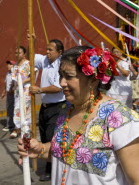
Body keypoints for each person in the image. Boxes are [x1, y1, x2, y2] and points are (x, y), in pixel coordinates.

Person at [18, 46, 139, 185]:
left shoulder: (119, 118)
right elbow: (68, 152)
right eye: (61, 75)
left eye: (69, 76)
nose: (62, 82)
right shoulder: (66, 111)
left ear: (93, 80)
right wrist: (41, 149)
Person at [29, 39, 67, 181]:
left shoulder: (61, 66)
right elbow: (31, 56)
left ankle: (52, 170)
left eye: (51, 50)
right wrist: (31, 41)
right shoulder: (45, 60)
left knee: (52, 139)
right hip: (45, 108)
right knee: (44, 137)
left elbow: (58, 87)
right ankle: (50, 167)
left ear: (59, 52)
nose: (48, 52)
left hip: (57, 107)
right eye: (47, 49)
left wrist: (40, 90)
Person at [11, 46, 31, 138]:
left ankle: (26, 128)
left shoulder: (28, 64)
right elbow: (13, 79)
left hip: (26, 90)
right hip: (17, 91)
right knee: (17, 109)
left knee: (25, 108)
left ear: (24, 54)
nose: (17, 55)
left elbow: (33, 76)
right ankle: (17, 128)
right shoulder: (15, 65)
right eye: (16, 53)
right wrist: (12, 87)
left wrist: (23, 81)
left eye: (19, 53)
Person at [1, 60, 15, 132]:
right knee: (9, 109)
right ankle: (10, 124)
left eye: (10, 64)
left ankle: (11, 125)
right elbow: (6, 84)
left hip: (14, 94)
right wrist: (4, 92)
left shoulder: (15, 74)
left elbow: (16, 84)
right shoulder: (7, 74)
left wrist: (12, 90)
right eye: (8, 64)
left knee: (14, 110)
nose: (8, 65)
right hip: (9, 94)